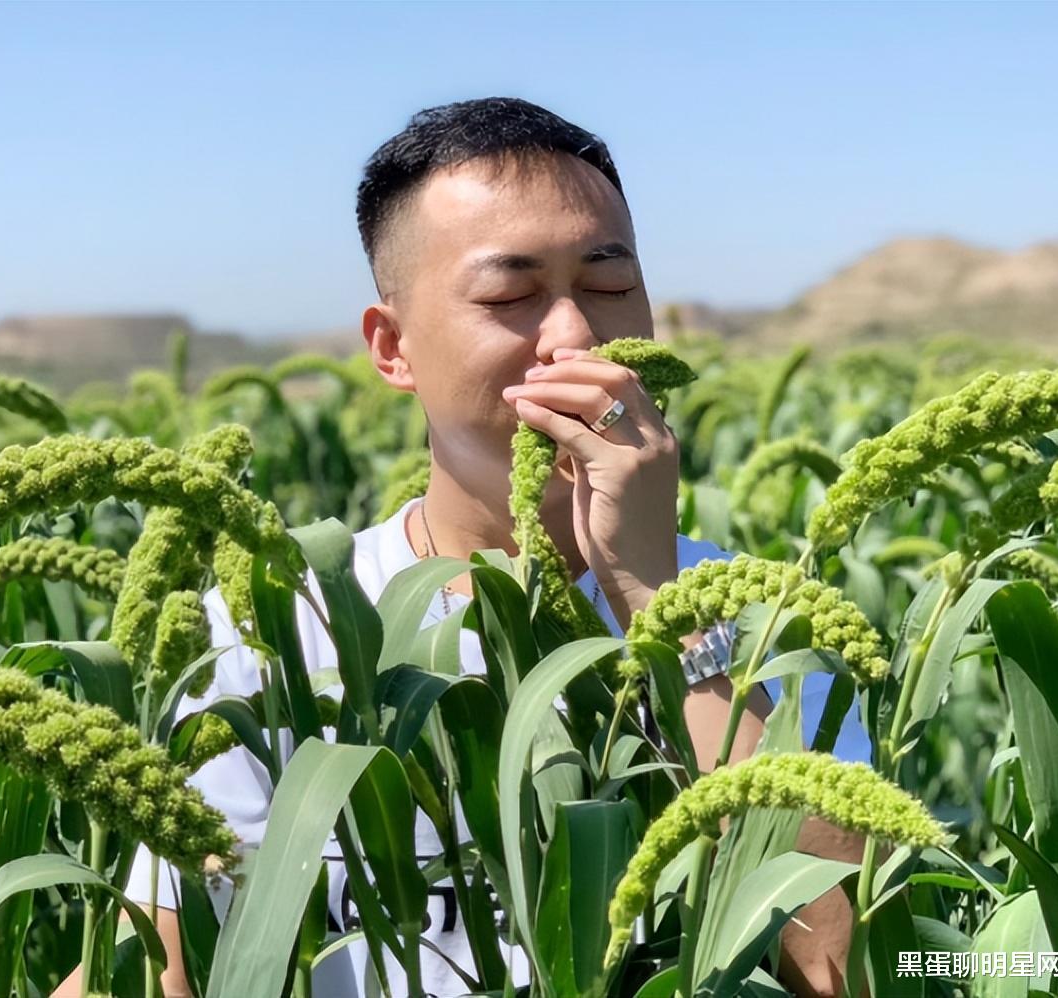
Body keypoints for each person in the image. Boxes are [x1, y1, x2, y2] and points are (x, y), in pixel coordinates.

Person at [57, 97, 870, 998]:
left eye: (608, 285)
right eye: (509, 295)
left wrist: (657, 600)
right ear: (393, 347)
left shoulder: (760, 626)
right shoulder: (282, 630)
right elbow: (162, 973)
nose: (573, 336)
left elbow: (843, 970)